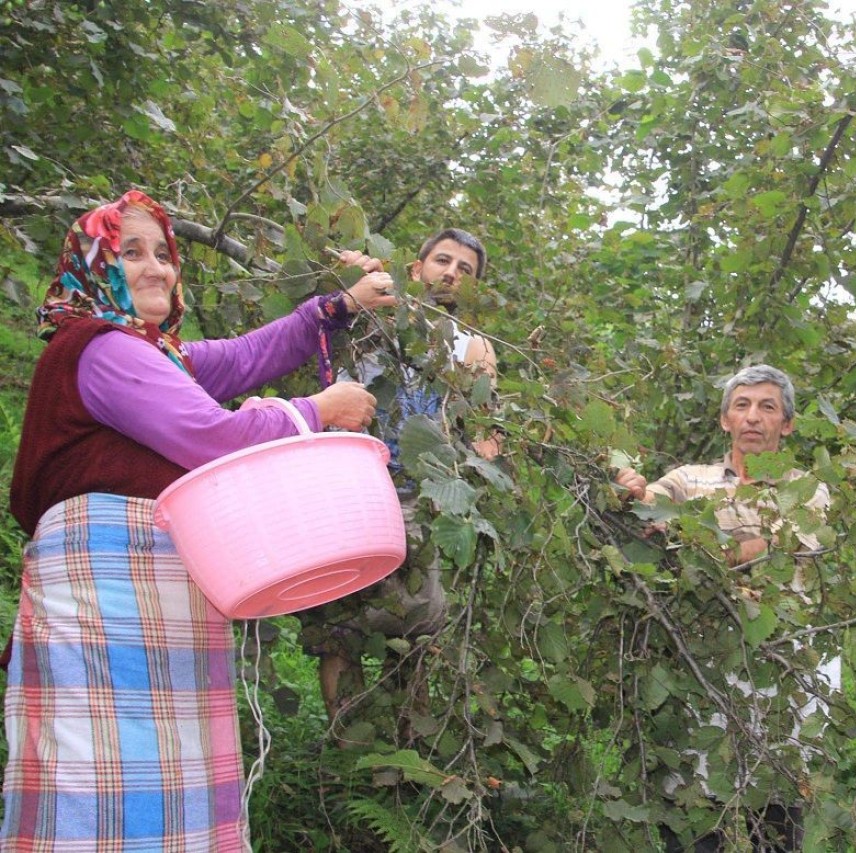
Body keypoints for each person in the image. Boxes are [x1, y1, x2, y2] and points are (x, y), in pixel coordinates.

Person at [0, 189, 393, 849]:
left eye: (164, 253)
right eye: (130, 252)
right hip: (107, 603)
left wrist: (337, 307)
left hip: (159, 600)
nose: (156, 267)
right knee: (98, 778)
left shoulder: (157, 356)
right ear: (94, 268)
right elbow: (212, 438)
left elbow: (242, 359)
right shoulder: (97, 348)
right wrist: (317, 410)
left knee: (165, 789)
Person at [614, 364, 833, 852]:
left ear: (787, 424)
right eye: (742, 405)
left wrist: (709, 552)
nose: (753, 417)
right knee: (694, 803)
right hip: (703, 658)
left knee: (776, 805)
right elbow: (650, 501)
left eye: (767, 407)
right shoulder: (692, 479)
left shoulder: (808, 488)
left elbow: (780, 544)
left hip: (782, 665)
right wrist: (631, 490)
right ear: (725, 420)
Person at [310, 227, 499, 721]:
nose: (451, 273)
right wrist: (353, 268)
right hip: (351, 490)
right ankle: (344, 752)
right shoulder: (375, 310)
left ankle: (406, 761)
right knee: (340, 627)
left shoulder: (473, 348)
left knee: (417, 631)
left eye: (465, 270)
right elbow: (330, 296)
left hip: (422, 500)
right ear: (416, 269)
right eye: (442, 260)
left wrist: (473, 481)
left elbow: (485, 433)